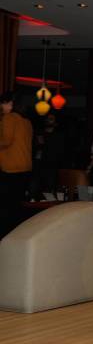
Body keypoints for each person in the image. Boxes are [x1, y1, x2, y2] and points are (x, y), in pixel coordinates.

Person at [0, 92, 33, 236]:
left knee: (6, 208)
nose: (1, 107)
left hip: (10, 167)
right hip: (25, 166)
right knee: (15, 207)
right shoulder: (26, 121)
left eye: (2, 103)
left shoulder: (9, 118)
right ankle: (15, 237)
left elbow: (5, 141)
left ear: (10, 104)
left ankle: (5, 238)